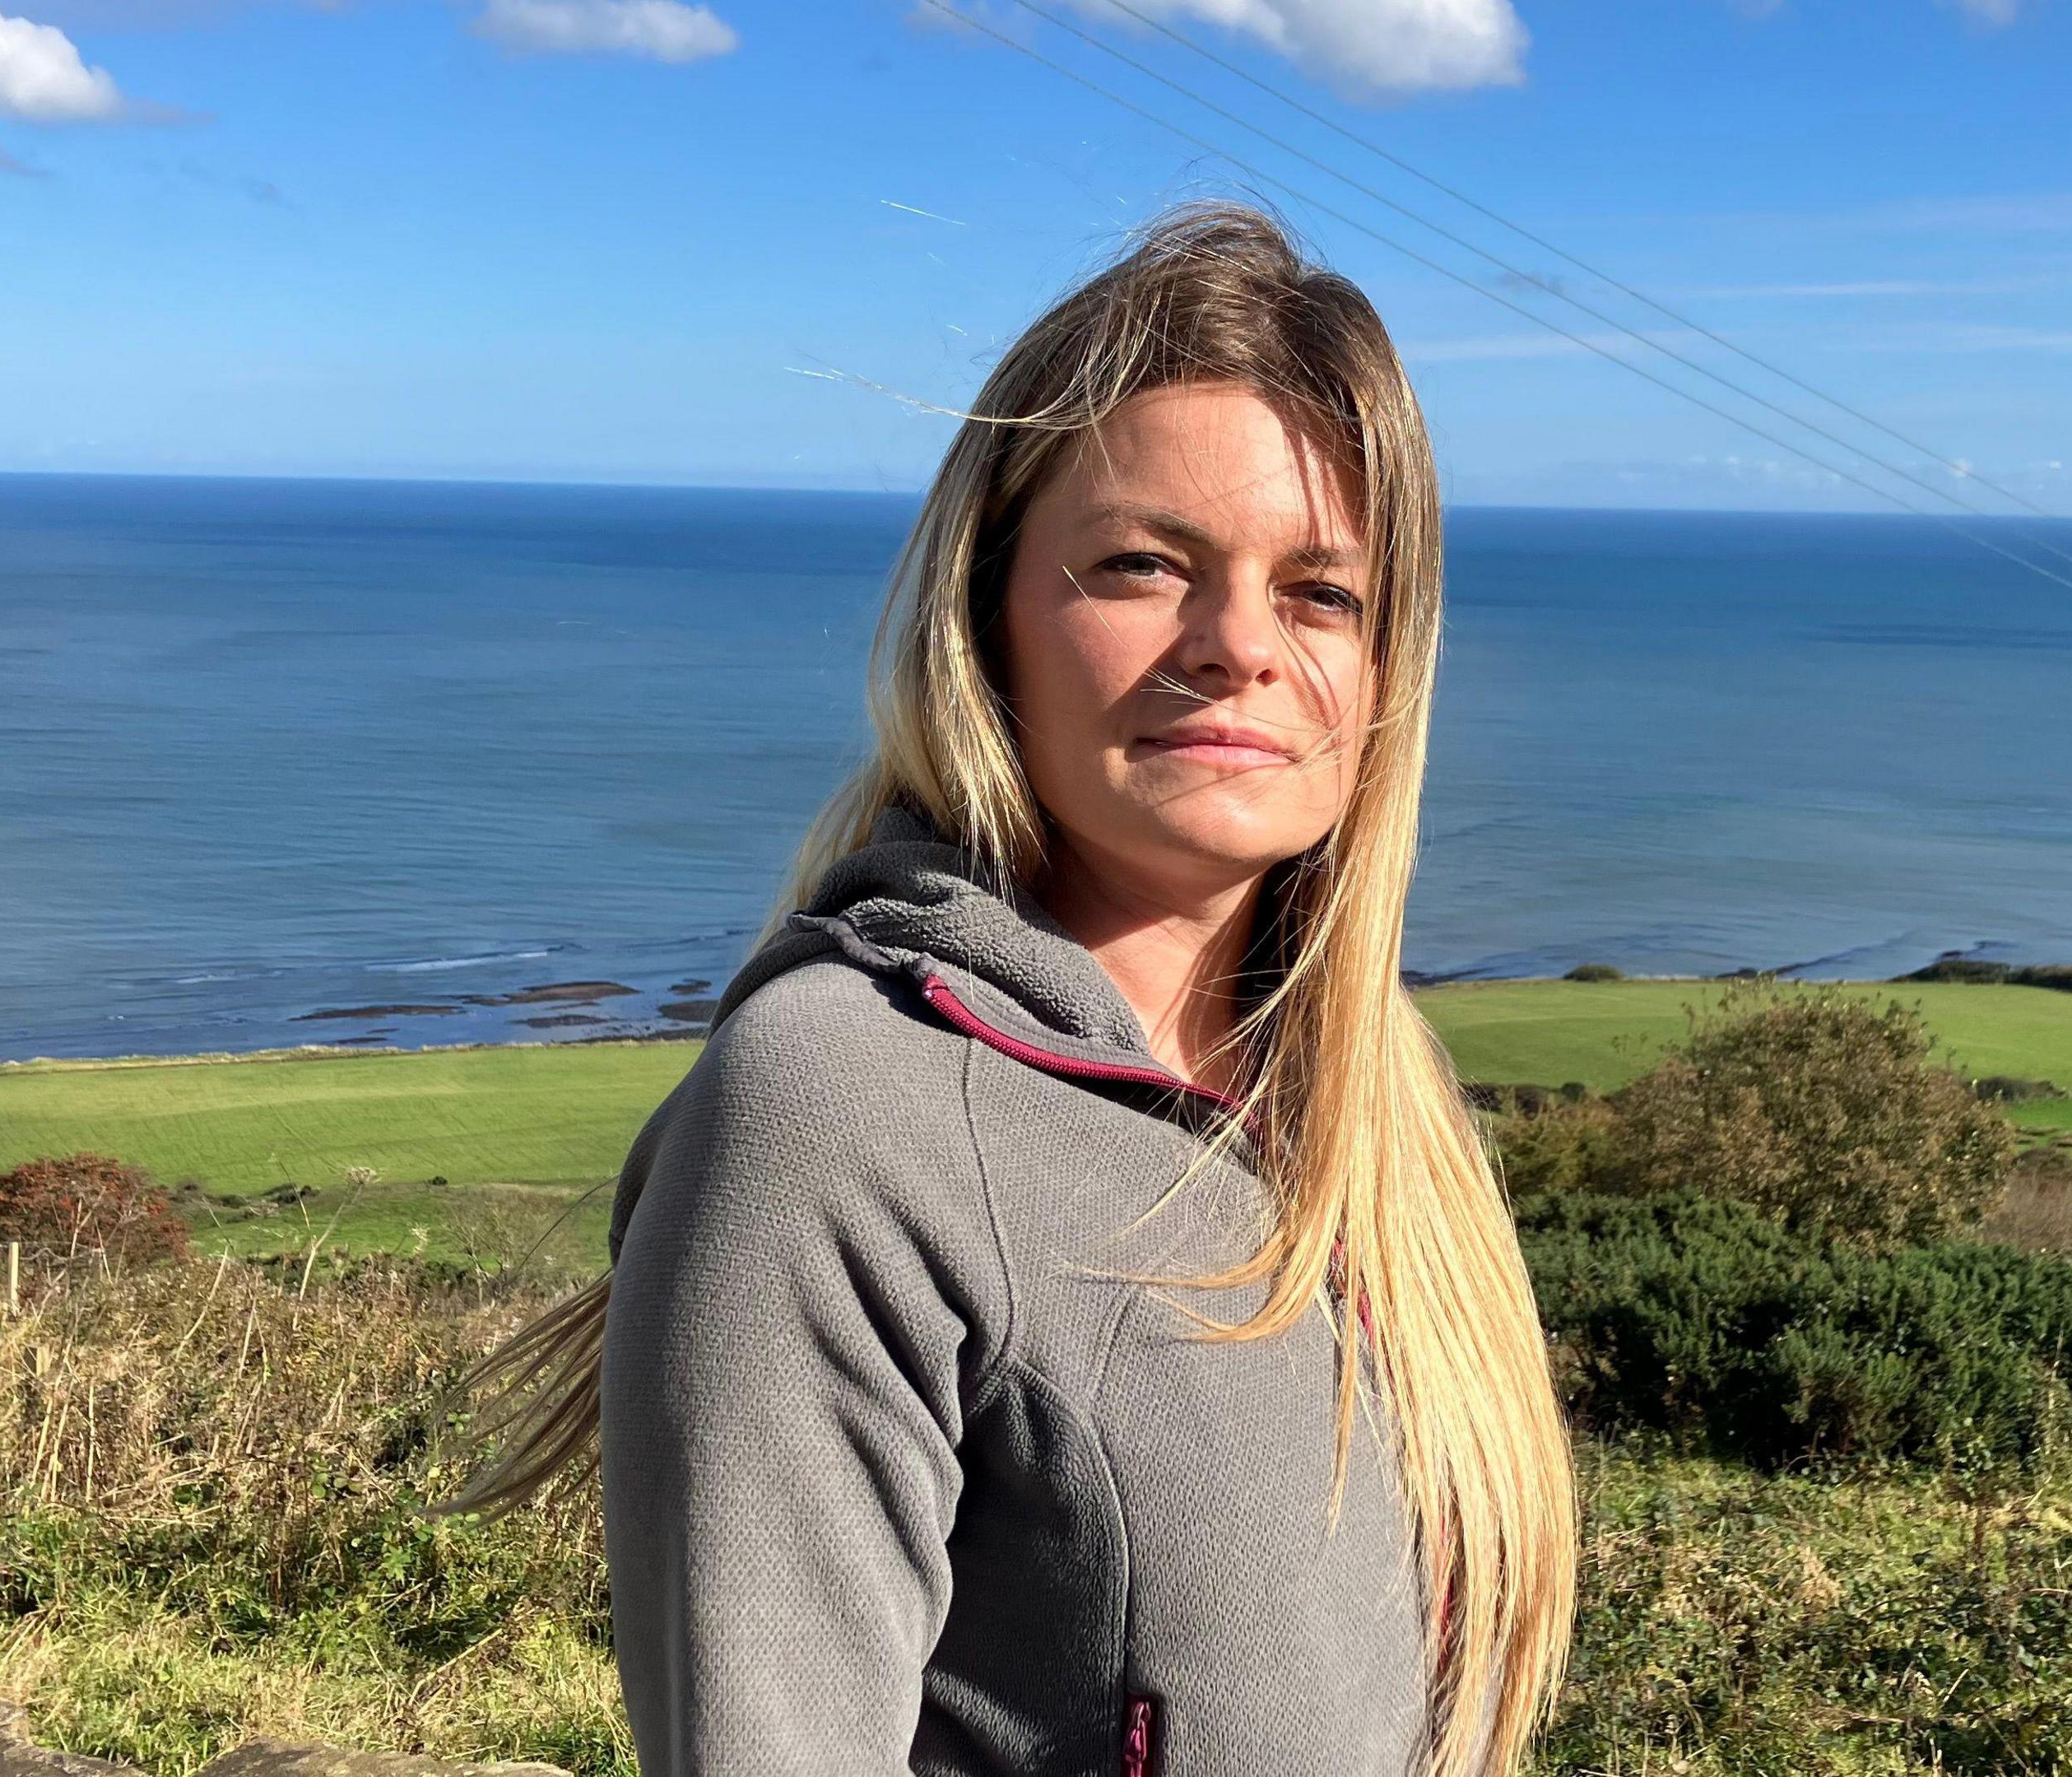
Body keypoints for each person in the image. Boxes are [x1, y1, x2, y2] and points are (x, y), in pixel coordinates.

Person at [453, 202, 1575, 1777]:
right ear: (987, 625)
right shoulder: (839, 1112)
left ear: (1389, 666)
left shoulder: (1379, 1095)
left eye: (1322, 592)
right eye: (1141, 565)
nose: (1240, 646)